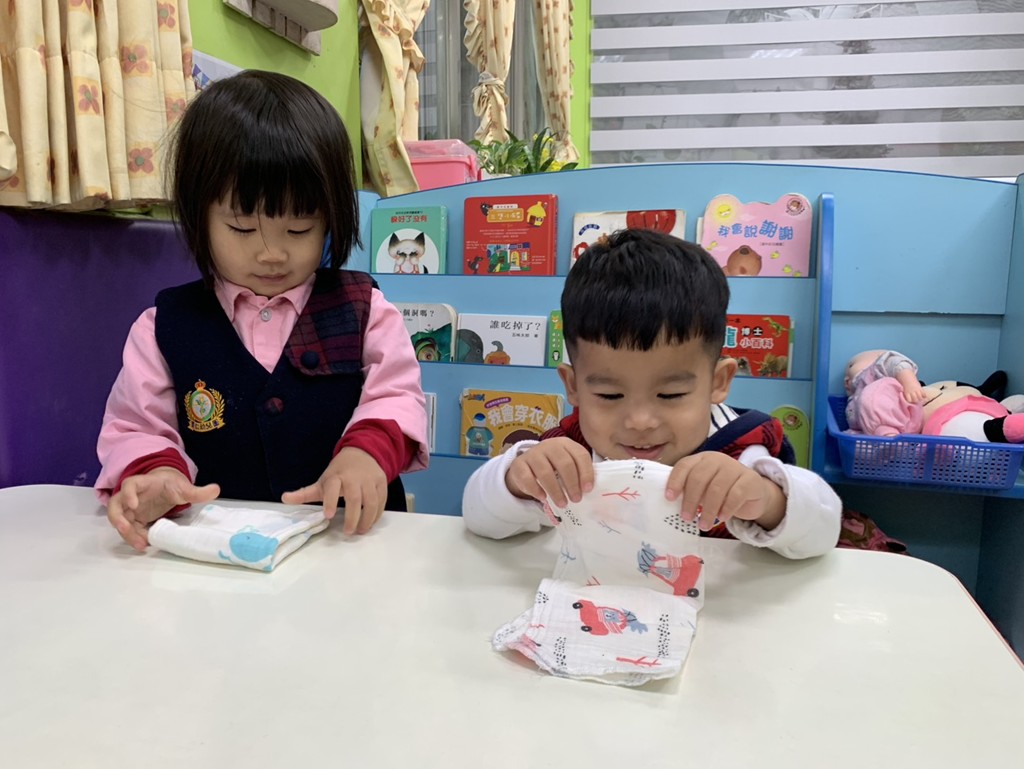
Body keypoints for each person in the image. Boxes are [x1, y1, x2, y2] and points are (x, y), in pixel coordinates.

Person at [96, 70, 427, 552]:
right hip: (218, 552)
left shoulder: (366, 311)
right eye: (242, 229)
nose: (272, 254)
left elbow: (396, 395)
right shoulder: (163, 327)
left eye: (299, 230)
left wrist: (367, 453)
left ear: (331, 218)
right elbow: (137, 425)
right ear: (199, 215)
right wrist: (154, 472)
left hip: (346, 547)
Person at [463, 228, 840, 558]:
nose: (640, 422)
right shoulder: (571, 450)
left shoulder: (740, 451)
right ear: (574, 386)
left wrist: (767, 500)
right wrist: (516, 480)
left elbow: (822, 533)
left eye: (671, 395)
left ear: (718, 382)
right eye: (610, 396)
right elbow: (479, 519)